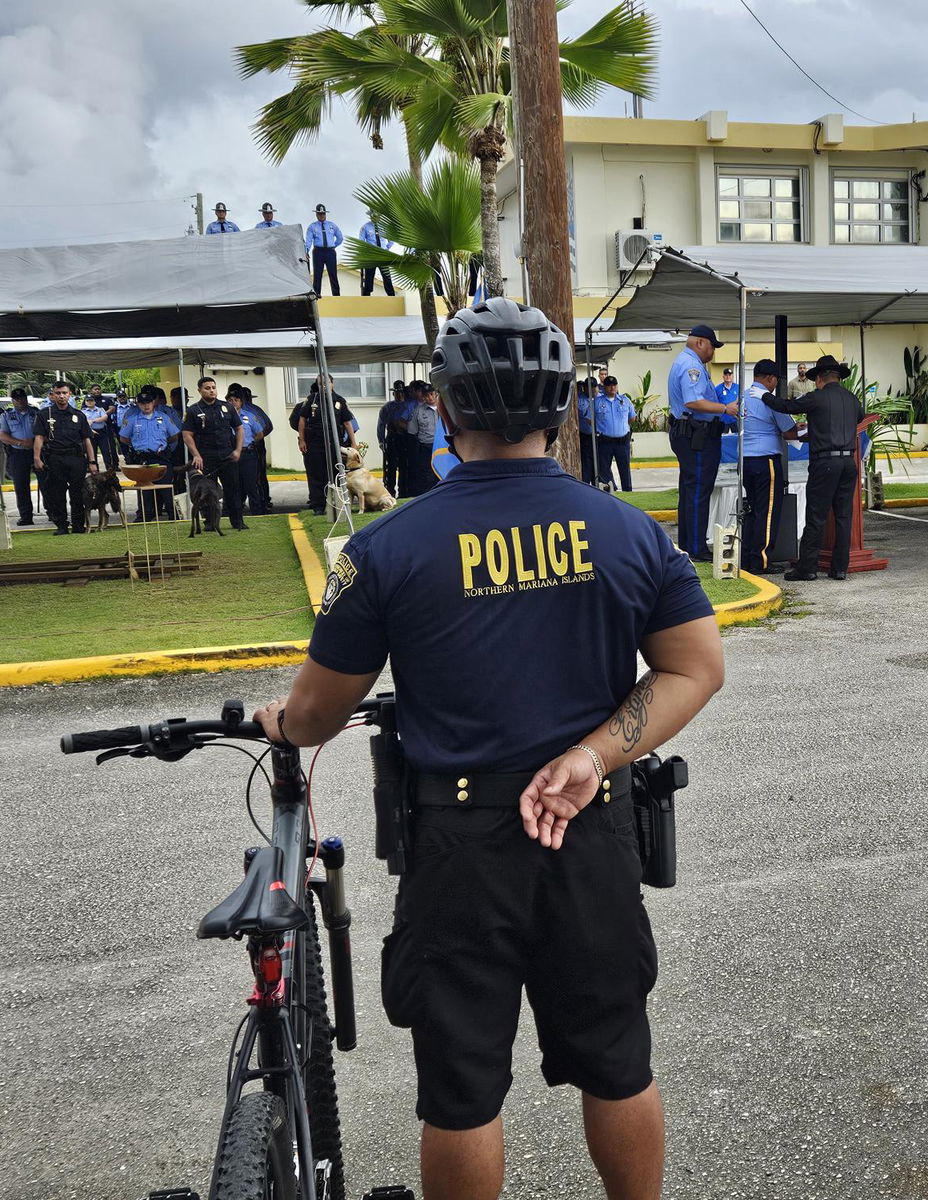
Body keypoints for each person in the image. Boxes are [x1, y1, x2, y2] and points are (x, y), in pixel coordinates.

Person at [251, 297, 724, 1200]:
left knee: (462, 1093)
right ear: (561, 410)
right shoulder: (628, 531)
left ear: (444, 407)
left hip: (459, 846)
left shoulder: (385, 548)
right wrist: (593, 757)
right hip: (590, 826)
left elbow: (315, 715)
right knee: (619, 1061)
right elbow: (695, 669)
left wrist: (283, 721)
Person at [766, 354, 862, 582]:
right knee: (843, 516)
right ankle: (840, 568)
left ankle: (807, 568)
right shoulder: (852, 399)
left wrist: (764, 396)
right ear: (838, 377)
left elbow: (787, 406)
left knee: (816, 516)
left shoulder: (816, 397)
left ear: (819, 378)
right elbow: (858, 418)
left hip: (825, 463)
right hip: (848, 463)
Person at [666, 324, 738, 560]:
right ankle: (696, 548)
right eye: (712, 347)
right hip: (696, 435)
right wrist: (725, 408)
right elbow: (694, 401)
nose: (712, 352)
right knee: (698, 490)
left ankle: (689, 543)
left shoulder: (685, 361)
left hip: (689, 433)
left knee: (690, 491)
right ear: (700, 343)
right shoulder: (692, 366)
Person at [737, 359, 796, 573]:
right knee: (768, 512)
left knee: (753, 510)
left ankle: (747, 558)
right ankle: (761, 560)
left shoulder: (741, 397)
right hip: (766, 461)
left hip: (745, 460)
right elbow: (790, 432)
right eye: (775, 381)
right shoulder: (770, 401)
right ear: (771, 378)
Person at [183, 376, 248, 531]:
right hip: (205, 457)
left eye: (213, 387)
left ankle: (237, 522)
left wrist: (238, 450)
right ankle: (210, 523)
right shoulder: (193, 410)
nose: (211, 390)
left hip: (227, 456)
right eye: (207, 388)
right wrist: (196, 455)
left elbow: (239, 429)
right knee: (207, 492)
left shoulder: (227, 407)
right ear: (199, 390)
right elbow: (187, 434)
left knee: (233, 489)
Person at [32, 380, 96, 535]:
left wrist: (92, 461)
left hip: (76, 458)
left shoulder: (78, 415)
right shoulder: (44, 414)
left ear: (70, 394)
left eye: (64, 393)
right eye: (58, 393)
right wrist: (37, 458)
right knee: (57, 494)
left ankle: (78, 525)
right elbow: (39, 437)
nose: (61, 396)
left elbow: (87, 439)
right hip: (55, 458)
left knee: (77, 493)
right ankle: (61, 525)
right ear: (52, 395)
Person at [298, 377, 357, 513]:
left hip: (335, 443)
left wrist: (353, 443)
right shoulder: (312, 399)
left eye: (326, 383)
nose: (324, 386)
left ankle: (338, 505)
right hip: (315, 443)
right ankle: (318, 506)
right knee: (316, 475)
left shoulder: (339, 401)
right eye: (320, 383)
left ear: (332, 384)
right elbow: (302, 419)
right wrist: (302, 440)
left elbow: (347, 423)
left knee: (337, 474)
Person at [119, 385, 178, 519]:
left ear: (154, 402)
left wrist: (163, 443)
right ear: (138, 404)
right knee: (145, 491)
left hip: (160, 456)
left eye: (149, 402)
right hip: (142, 458)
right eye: (142, 403)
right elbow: (123, 438)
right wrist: (136, 445)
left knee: (166, 488)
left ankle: (173, 516)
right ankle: (145, 516)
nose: (146, 406)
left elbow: (174, 435)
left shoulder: (163, 417)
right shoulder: (132, 419)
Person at [0, 387, 40, 526]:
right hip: (18, 452)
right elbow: (2, 435)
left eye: (22, 398)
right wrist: (20, 442)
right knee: (21, 486)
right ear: (12, 400)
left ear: (26, 399)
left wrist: (34, 442)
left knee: (47, 484)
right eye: (16, 399)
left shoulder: (36, 413)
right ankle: (26, 517)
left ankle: (53, 513)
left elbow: (45, 431)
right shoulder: (7, 415)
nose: (20, 401)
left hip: (37, 451)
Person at [229, 386, 272, 516]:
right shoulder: (223, 416)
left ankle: (258, 511)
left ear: (241, 400)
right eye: (230, 400)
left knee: (252, 484)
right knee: (233, 485)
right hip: (231, 455)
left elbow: (263, 430)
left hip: (248, 452)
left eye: (236, 400)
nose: (233, 402)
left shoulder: (251, 413)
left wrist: (251, 442)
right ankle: (233, 511)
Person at [593, 376, 635, 492]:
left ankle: (628, 493)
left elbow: (632, 417)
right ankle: (608, 493)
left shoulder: (625, 400)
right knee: (604, 470)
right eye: (609, 385)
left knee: (625, 469)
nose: (612, 388)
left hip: (622, 441)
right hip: (605, 441)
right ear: (604, 387)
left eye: (614, 385)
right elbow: (589, 419)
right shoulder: (597, 402)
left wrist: (620, 427)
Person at [405, 384, 439, 497]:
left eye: (431, 394)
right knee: (427, 476)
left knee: (443, 473)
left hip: (443, 446)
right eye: (426, 395)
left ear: (436, 394)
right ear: (423, 397)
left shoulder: (445, 409)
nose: (430, 397)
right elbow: (412, 431)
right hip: (426, 447)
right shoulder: (418, 411)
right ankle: (429, 497)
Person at [306, 204, 344, 296]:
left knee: (333, 274)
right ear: (316, 214)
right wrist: (306, 251)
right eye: (320, 214)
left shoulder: (332, 225)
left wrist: (333, 246)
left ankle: (336, 295)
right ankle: (316, 295)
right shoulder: (312, 226)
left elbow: (340, 237)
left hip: (330, 252)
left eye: (323, 213)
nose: (322, 215)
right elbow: (308, 241)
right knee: (317, 275)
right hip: (318, 252)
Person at [80, 386, 118, 471]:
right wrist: (91, 424)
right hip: (90, 433)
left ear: (94, 402)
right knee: (92, 452)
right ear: (85, 402)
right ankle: (95, 470)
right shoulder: (83, 412)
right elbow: (83, 422)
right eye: (88, 401)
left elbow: (105, 417)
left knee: (106, 451)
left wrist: (93, 420)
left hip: (102, 432)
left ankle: (109, 469)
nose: (89, 402)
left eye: (91, 401)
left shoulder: (100, 409)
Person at [358, 213, 396, 297]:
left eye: (376, 216)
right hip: (371, 256)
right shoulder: (365, 227)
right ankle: (367, 297)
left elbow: (391, 240)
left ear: (379, 216)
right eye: (373, 216)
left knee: (387, 277)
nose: (374, 217)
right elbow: (361, 241)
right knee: (369, 277)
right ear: (370, 216)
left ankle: (391, 296)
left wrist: (386, 248)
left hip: (382, 255)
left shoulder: (384, 227)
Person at [577, 379, 600, 487]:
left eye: (594, 387)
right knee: (586, 462)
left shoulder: (601, 399)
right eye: (590, 387)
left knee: (599, 463)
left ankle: (598, 484)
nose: (593, 389)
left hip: (599, 436)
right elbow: (586, 418)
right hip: (585, 436)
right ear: (585, 388)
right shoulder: (578, 399)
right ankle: (586, 485)